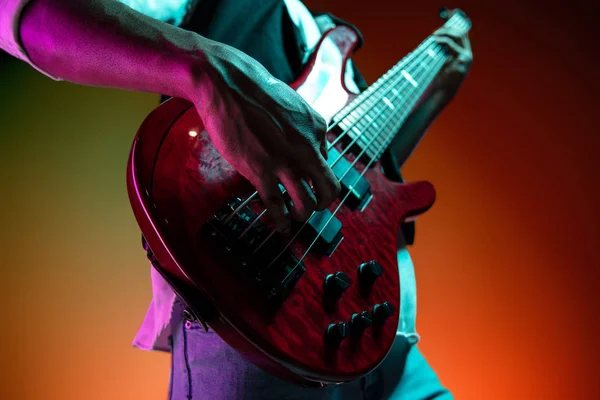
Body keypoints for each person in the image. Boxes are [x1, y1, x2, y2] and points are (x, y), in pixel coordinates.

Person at [0, 0, 472, 398]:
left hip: (384, 338)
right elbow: (28, 14)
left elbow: (350, 183)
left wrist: (434, 93)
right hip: (260, 329)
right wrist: (208, 69)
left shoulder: (320, 31)